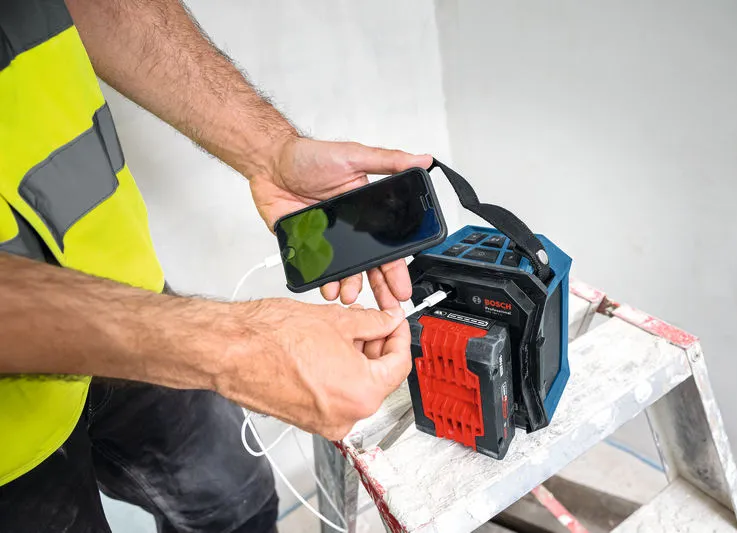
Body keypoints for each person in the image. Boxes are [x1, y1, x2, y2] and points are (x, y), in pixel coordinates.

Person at [0, 1, 428, 531]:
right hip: (8, 443)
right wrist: (239, 346)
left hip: (126, 289)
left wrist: (271, 152)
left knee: (237, 503)